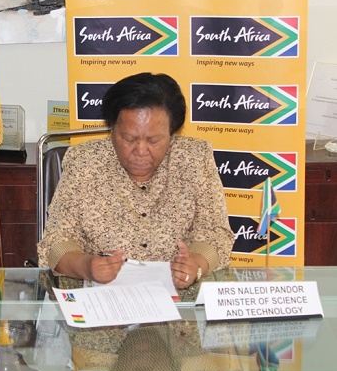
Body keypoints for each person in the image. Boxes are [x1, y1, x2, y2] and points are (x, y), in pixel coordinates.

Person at [37, 72, 233, 289]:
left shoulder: (194, 158)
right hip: (102, 298)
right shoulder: (85, 161)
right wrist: (86, 267)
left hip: (178, 300)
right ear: (112, 129)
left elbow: (216, 233)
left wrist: (195, 265)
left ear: (172, 132)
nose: (140, 150)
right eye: (129, 139)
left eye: (153, 140)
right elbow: (56, 239)